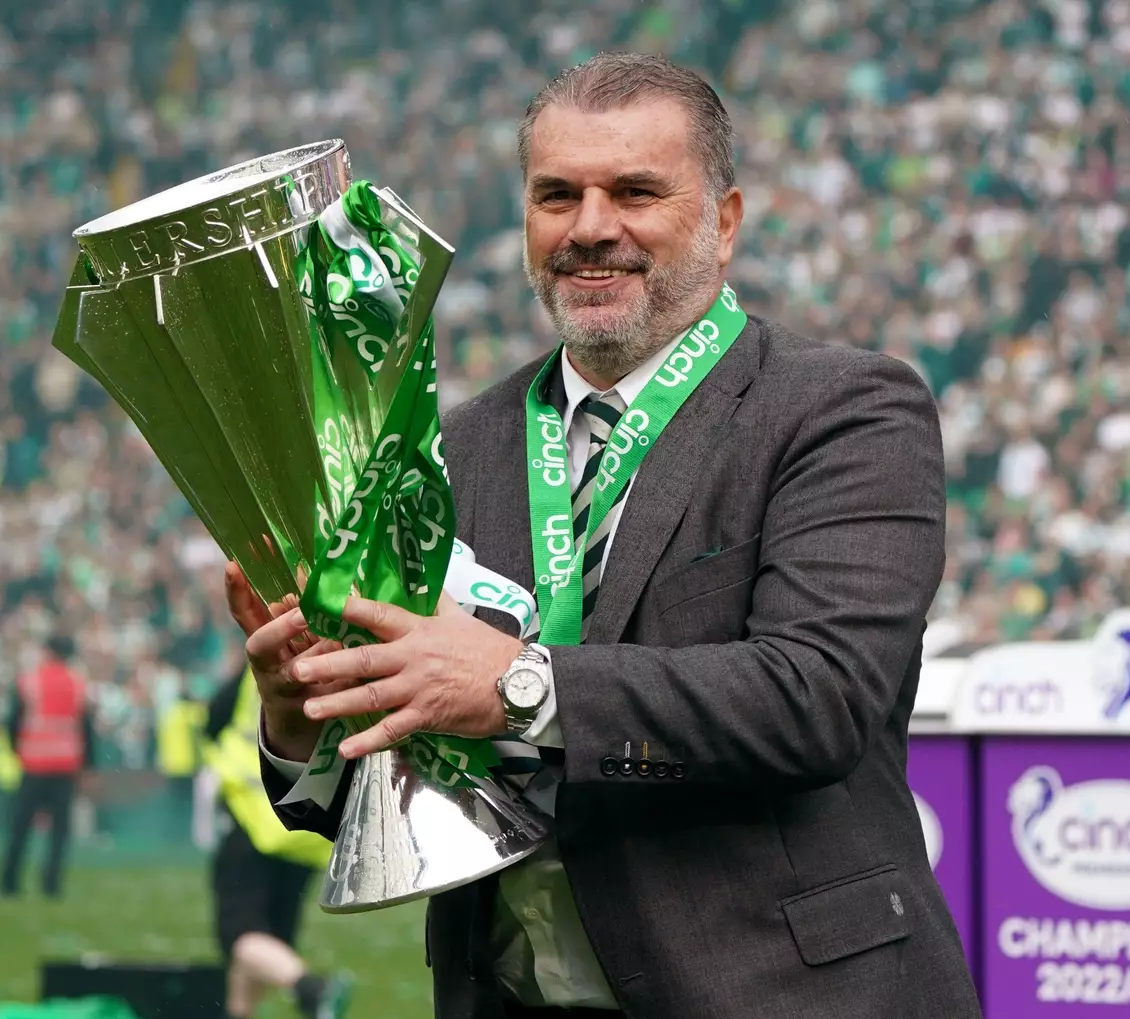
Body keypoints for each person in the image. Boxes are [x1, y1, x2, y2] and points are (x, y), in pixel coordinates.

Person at [229, 52, 982, 1019]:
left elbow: (820, 696)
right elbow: (393, 794)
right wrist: (306, 717)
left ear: (725, 221)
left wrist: (516, 683)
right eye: (557, 195)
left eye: (635, 191)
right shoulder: (446, 446)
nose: (591, 228)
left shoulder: (842, 409)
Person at [201, 665, 354, 1019]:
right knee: (271, 937)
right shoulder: (338, 667)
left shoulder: (264, 659)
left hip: (254, 816)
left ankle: (311, 989)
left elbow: (213, 722)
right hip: (307, 828)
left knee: (238, 933)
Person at [0, 634, 94, 899]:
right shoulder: (77, 684)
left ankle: (9, 883)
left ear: (48, 652)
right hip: (66, 765)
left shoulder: (30, 681)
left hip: (34, 763)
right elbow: (86, 727)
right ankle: (51, 885)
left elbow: (13, 721)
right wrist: (87, 764)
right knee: (59, 832)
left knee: (20, 828)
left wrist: (17, 749)